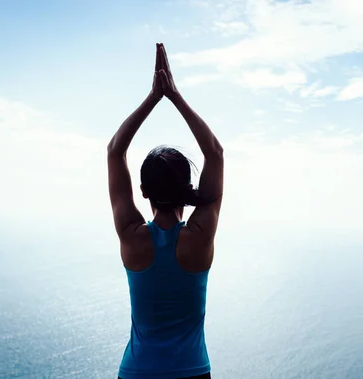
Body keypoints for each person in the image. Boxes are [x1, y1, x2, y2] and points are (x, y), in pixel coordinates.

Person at [107, 43, 223, 379]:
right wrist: (174, 95)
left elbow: (115, 151)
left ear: (143, 192)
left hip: (137, 373)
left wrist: (154, 97)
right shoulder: (200, 238)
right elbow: (214, 153)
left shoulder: (131, 236)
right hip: (192, 372)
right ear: (186, 189)